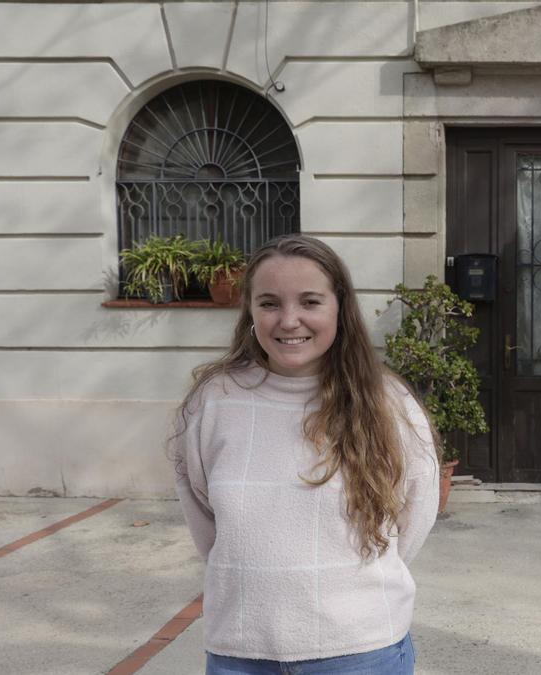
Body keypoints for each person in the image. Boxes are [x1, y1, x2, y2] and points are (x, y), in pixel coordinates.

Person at [171, 235, 439, 674]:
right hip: (242, 650)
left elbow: (413, 516)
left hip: (360, 650)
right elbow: (206, 519)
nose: (289, 320)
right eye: (270, 303)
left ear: (340, 308)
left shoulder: (388, 404)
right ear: (251, 311)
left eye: (310, 302)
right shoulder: (214, 401)